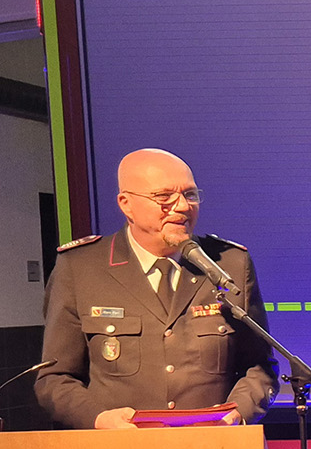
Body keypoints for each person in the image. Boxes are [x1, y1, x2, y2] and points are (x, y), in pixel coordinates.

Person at [37, 148, 274, 429]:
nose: (183, 206)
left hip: (212, 446)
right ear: (126, 204)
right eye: (164, 197)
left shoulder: (229, 264)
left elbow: (260, 367)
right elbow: (55, 379)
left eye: (190, 195)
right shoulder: (80, 268)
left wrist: (236, 413)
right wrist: (99, 418)